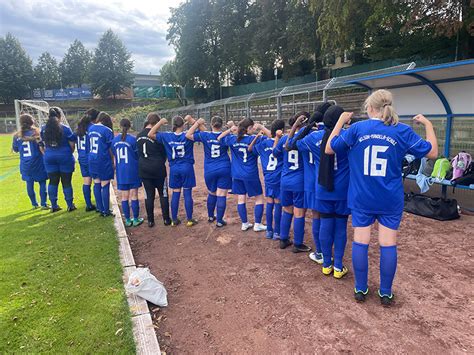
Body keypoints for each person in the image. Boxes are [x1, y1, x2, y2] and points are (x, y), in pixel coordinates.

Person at [326, 89, 438, 306]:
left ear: (370, 108)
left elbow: (330, 148)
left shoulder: (357, 128)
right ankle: (385, 293)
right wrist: (428, 124)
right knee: (388, 244)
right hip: (389, 198)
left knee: (361, 241)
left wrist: (340, 121)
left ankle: (360, 288)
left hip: (362, 197)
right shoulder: (401, 130)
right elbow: (432, 152)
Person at [290, 106, 351, 278]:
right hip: (342, 189)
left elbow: (294, 143)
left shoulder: (313, 137)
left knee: (325, 223)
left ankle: (326, 264)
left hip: (322, 187)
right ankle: (338, 267)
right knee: (340, 226)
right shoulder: (348, 137)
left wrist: (308, 126)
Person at [218, 118, 269, 232]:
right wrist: (261, 127)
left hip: (236, 174)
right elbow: (270, 136)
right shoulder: (253, 139)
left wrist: (230, 130)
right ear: (249, 128)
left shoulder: (233, 139)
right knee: (259, 198)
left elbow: (219, 138)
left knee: (241, 198)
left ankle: (244, 223)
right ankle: (257, 224)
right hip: (250, 174)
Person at [148, 115, 200, 227]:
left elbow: (150, 134)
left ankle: (174, 220)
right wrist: (193, 122)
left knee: (176, 193)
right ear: (183, 125)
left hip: (174, 168)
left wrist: (160, 122)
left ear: (173, 125)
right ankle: (189, 219)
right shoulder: (187, 135)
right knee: (187, 193)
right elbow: (200, 129)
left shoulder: (167, 136)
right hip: (187, 167)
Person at [273, 113, 311, 252]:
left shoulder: (284, 139)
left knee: (287, 210)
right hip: (299, 180)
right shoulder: (306, 139)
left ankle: (283, 239)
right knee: (299, 212)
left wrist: (277, 138)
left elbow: (275, 153)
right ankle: (298, 243)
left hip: (285, 179)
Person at [186, 116, 232, 227]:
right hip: (224, 167)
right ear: (221, 125)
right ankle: (220, 221)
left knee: (212, 193)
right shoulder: (226, 136)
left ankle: (211, 216)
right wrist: (231, 126)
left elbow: (188, 135)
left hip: (210, 169)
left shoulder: (205, 135)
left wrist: (196, 123)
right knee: (221, 195)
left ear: (211, 125)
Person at [248, 119, 285, 239]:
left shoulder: (263, 143)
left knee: (269, 204)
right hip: (279, 177)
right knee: (278, 205)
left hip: (268, 177)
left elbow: (251, 149)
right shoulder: (283, 143)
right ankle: (277, 232)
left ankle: (269, 230)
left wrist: (258, 135)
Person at [136, 113, 171, 227]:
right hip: (158, 168)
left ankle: (151, 221)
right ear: (156, 123)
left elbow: (138, 153)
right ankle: (166, 219)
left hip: (144, 168)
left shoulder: (139, 135)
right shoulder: (157, 136)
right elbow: (164, 153)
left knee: (149, 195)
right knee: (163, 193)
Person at [41, 107, 76, 212]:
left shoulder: (43, 128)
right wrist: (68, 153)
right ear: (60, 116)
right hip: (64, 156)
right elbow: (72, 145)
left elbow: (42, 144)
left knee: (53, 181)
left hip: (49, 156)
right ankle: (70, 205)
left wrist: (47, 153)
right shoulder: (65, 128)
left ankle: (54, 205)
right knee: (66, 182)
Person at [12, 114, 48, 209]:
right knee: (42, 182)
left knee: (29, 183)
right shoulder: (37, 132)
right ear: (32, 122)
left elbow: (15, 149)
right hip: (38, 162)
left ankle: (34, 204)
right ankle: (44, 203)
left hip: (25, 164)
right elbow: (42, 145)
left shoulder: (17, 135)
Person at [112, 119, 144, 227]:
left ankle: (127, 220)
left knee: (124, 196)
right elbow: (137, 155)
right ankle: (135, 219)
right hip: (132, 170)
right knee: (134, 195)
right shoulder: (133, 140)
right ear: (130, 126)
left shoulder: (115, 140)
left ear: (120, 126)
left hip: (121, 171)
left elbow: (114, 153)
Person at [88, 112, 115, 217]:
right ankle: (106, 210)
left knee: (96, 183)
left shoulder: (91, 128)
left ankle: (99, 208)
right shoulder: (107, 130)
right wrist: (113, 162)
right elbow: (110, 148)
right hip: (102, 159)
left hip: (92, 158)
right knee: (105, 184)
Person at [76, 108, 99, 212]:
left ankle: (88, 205)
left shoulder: (78, 128)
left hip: (81, 157)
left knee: (86, 180)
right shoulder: (93, 128)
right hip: (90, 157)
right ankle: (99, 205)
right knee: (97, 181)